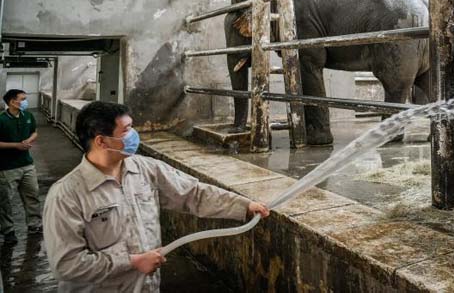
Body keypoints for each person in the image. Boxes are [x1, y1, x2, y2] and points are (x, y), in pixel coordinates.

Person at [43, 101, 269, 292]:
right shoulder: (67, 195)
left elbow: (193, 193)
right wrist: (132, 262)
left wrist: (244, 205)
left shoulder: (144, 169)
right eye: (127, 130)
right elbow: (67, 265)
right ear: (101, 141)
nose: (134, 135)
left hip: (148, 287)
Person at [0, 88, 42, 243]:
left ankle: (34, 225)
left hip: (27, 164)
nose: (26, 101)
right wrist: (15, 145)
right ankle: (8, 231)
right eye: (22, 99)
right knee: (6, 201)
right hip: (7, 167)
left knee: (32, 195)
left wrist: (29, 140)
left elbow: (35, 132)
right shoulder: (2, 120)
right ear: (12, 101)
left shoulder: (28, 115)